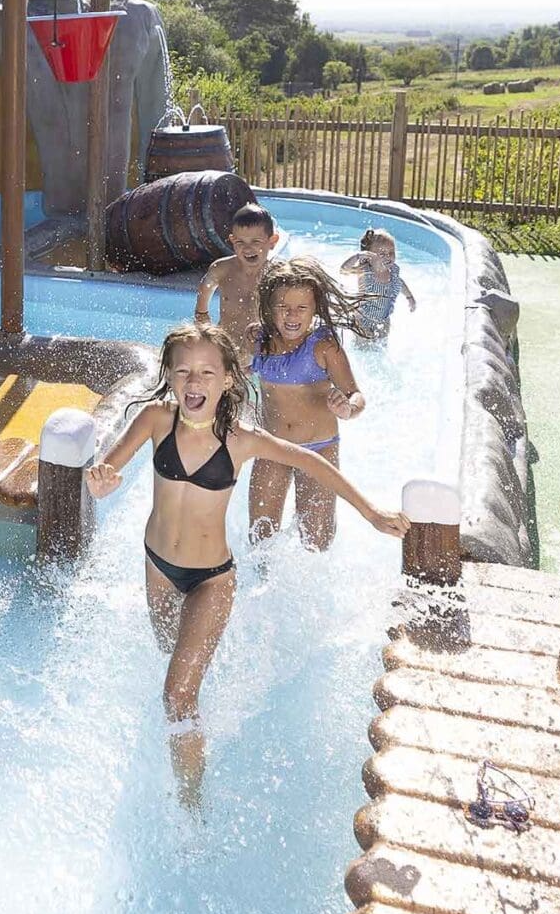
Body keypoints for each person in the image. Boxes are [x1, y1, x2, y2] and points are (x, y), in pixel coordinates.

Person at [86, 322, 404, 809]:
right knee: (173, 666)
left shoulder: (241, 439)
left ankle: (191, 806)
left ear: (229, 379)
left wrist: (372, 513)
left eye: (207, 372)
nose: (195, 383)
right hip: (157, 570)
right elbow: (107, 469)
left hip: (210, 581)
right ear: (169, 375)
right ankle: (192, 724)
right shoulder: (155, 419)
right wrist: (101, 481)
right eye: (184, 371)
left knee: (176, 695)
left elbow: (313, 463)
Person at [246, 258, 369, 548]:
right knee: (260, 538)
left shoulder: (324, 345)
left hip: (319, 449)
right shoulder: (259, 338)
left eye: (301, 308)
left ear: (314, 309)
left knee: (317, 540)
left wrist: (348, 409)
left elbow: (355, 394)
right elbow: (235, 372)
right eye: (283, 307)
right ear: (269, 307)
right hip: (271, 446)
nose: (292, 315)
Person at [194, 203, 277, 350]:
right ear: (232, 241)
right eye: (240, 242)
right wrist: (202, 317)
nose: (247, 248)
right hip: (226, 348)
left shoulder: (276, 275)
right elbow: (204, 288)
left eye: (255, 241)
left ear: (272, 242)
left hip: (259, 353)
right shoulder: (222, 269)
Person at [338, 228, 413, 341]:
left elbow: (400, 283)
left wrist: (409, 297)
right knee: (362, 348)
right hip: (363, 321)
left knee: (381, 347)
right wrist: (358, 256)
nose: (388, 256)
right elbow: (343, 270)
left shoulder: (393, 272)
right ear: (369, 256)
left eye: (391, 252)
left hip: (383, 319)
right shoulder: (365, 271)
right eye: (382, 253)